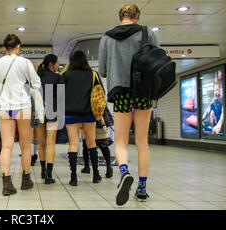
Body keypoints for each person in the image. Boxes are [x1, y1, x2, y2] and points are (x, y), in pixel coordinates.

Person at [98, 3, 160, 205]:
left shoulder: (107, 37)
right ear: (137, 16)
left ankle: (124, 171)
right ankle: (141, 189)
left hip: (120, 91)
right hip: (143, 91)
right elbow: (158, 60)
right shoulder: (147, 32)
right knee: (142, 141)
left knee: (122, 141)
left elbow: (103, 71)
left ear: (120, 17)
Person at [0, 34, 41, 196]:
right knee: (25, 145)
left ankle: (7, 184)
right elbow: (36, 84)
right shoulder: (25, 62)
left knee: (6, 146)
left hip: (4, 107)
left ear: (4, 48)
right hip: (23, 107)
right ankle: (26, 180)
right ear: (18, 46)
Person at [61, 50, 102, 186]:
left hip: (71, 113)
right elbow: (100, 93)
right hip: (88, 113)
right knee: (91, 142)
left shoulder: (66, 75)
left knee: (73, 143)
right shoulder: (93, 74)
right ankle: (96, 175)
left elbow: (59, 94)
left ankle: (73, 177)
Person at [35, 54, 61, 184]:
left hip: (39, 113)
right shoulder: (58, 77)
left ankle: (42, 171)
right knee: (51, 143)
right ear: (51, 64)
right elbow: (61, 98)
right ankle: (49, 175)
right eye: (57, 63)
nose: (58, 66)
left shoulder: (37, 77)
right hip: (52, 112)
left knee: (41, 143)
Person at [81, 107, 114, 178]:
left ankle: (87, 167)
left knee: (86, 145)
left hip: (87, 117)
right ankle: (109, 167)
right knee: (104, 146)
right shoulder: (99, 96)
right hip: (100, 119)